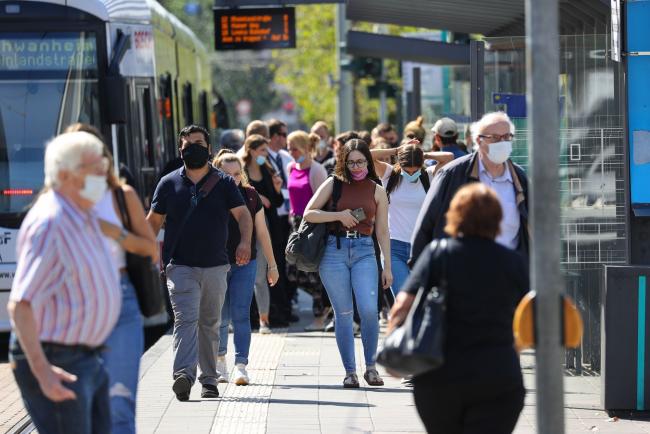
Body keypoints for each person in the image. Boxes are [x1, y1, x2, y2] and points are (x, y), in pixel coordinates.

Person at [389, 183, 528, 434]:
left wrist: (395, 350)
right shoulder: (512, 261)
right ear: (497, 219)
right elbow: (530, 315)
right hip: (497, 373)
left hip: (438, 374)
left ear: (455, 215)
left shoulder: (438, 254)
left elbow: (402, 305)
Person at [8, 132, 121, 434]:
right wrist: (42, 371)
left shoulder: (82, 214)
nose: (103, 176)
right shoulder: (51, 223)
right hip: (59, 359)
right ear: (63, 174)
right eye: (94, 168)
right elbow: (21, 304)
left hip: (86, 356)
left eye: (103, 166)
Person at [146, 125, 253, 401]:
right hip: (180, 266)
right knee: (185, 319)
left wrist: (244, 242)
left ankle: (209, 380)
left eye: (198, 143)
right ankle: (183, 374)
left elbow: (243, 215)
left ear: (208, 148)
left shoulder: (225, 183)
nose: (192, 147)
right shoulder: (168, 183)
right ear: (180, 150)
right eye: (187, 144)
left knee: (209, 322)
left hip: (216, 265)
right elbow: (152, 224)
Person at [64, 123, 158, 434]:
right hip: (74, 305)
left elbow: (149, 248)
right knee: (83, 406)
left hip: (119, 301)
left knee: (119, 404)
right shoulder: (58, 200)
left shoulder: (121, 195)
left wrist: (114, 232)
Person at [303, 139, 392, 388]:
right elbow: (310, 212)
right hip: (334, 250)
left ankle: (371, 368)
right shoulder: (334, 183)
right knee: (343, 313)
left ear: (368, 161)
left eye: (361, 161)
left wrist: (387, 266)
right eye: (351, 162)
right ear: (344, 162)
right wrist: (338, 215)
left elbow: (383, 231)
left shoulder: (377, 189)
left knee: (368, 311)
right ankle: (350, 372)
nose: (356, 167)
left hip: (365, 250)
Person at [410, 111, 529, 265]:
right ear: (479, 141)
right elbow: (426, 224)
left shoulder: (519, 179)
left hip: (509, 276)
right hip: (461, 274)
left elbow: (533, 229)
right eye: (495, 137)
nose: (502, 142)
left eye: (507, 137)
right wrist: (422, 274)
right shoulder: (453, 174)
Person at [213, 150, 279, 386]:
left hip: (245, 263)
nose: (233, 178)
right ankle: (220, 363)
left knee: (241, 315)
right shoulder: (211, 193)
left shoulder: (251, 196)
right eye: (226, 174)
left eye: (237, 173)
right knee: (220, 317)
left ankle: (241, 365)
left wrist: (272, 265)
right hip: (217, 264)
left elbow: (262, 233)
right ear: (216, 173)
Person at [370, 142, 453, 295]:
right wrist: (397, 150)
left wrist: (422, 154)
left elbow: (449, 158)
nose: (411, 174)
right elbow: (368, 155)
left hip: (421, 247)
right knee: (402, 299)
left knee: (422, 300)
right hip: (394, 248)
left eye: (415, 171)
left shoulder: (428, 175)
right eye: (407, 171)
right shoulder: (389, 175)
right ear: (400, 164)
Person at [242, 134, 290, 328]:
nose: (265, 154)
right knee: (250, 274)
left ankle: (267, 317)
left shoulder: (267, 169)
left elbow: (276, 203)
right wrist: (257, 196)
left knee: (266, 274)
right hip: (246, 228)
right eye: (262, 150)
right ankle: (251, 315)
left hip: (268, 228)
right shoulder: (242, 171)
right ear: (252, 151)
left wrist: (277, 189)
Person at [285, 131, 329, 330]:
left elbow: (324, 201)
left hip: (312, 224)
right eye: (289, 147)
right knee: (292, 271)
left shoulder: (317, 170)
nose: (291, 152)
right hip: (295, 223)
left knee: (313, 273)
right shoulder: (290, 167)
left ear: (304, 148)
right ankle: (327, 307)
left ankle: (320, 315)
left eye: (294, 148)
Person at [266, 119, 296, 321]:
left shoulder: (284, 157)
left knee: (288, 264)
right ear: (275, 136)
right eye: (284, 135)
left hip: (287, 217)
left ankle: (286, 305)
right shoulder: (262, 159)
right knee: (275, 263)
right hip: (271, 219)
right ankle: (278, 309)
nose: (286, 139)